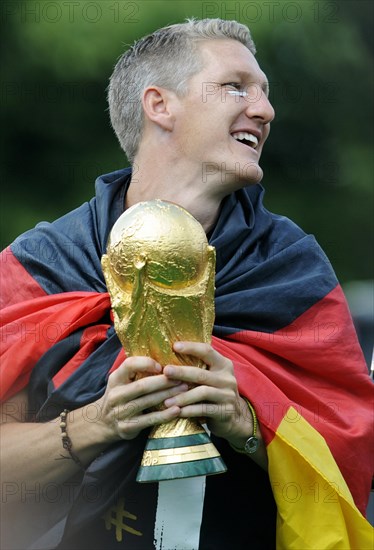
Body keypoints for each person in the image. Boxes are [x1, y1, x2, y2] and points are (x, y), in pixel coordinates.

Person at [1, 18, 373, 550]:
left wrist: (248, 424)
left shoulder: (291, 270)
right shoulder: (40, 267)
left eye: (265, 94)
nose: (264, 111)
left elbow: (354, 457)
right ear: (160, 105)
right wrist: (94, 424)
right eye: (235, 86)